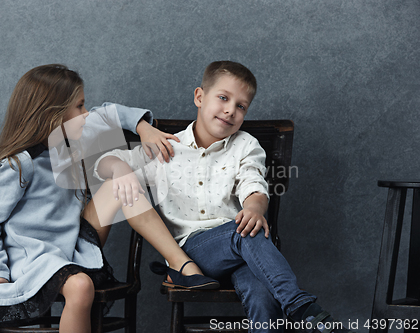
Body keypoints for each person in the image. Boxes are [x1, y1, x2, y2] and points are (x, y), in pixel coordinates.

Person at [94, 61, 355, 333]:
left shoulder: (245, 145)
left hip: (243, 251)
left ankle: (294, 310)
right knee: (242, 233)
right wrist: (120, 167)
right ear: (199, 97)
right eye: (223, 98)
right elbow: (100, 165)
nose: (231, 110)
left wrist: (254, 208)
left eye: (241, 106)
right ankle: (302, 307)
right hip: (192, 252)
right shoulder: (167, 149)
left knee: (260, 291)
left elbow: (254, 184)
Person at [0, 64, 218, 333]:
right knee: (81, 285)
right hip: (32, 256)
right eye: (79, 106)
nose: (86, 114)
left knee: (121, 183)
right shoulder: (20, 164)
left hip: (73, 243)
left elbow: (109, 113)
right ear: (53, 115)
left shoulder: (74, 136)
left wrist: (143, 128)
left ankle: (181, 264)